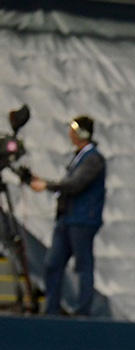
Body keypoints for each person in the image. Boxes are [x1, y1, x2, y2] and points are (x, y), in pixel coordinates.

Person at [29, 115, 106, 316]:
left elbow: (75, 184)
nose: (70, 134)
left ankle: (83, 311)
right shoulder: (79, 157)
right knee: (52, 264)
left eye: (74, 130)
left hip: (82, 219)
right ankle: (51, 309)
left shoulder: (93, 159)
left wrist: (47, 185)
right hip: (67, 218)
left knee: (83, 265)